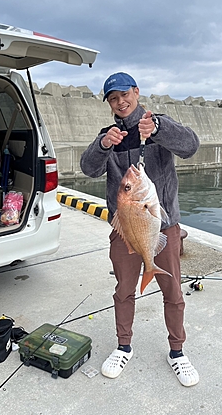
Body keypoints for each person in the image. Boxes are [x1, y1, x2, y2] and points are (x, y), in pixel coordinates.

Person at [80, 72, 200, 387]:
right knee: (123, 290)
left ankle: (177, 351)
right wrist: (103, 144)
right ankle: (123, 346)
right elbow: (88, 168)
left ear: (136, 92)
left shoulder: (158, 123)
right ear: (109, 104)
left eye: (124, 95)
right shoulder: (109, 134)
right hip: (125, 229)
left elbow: (190, 146)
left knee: (173, 292)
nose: (120, 102)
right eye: (113, 99)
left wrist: (160, 130)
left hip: (164, 225)